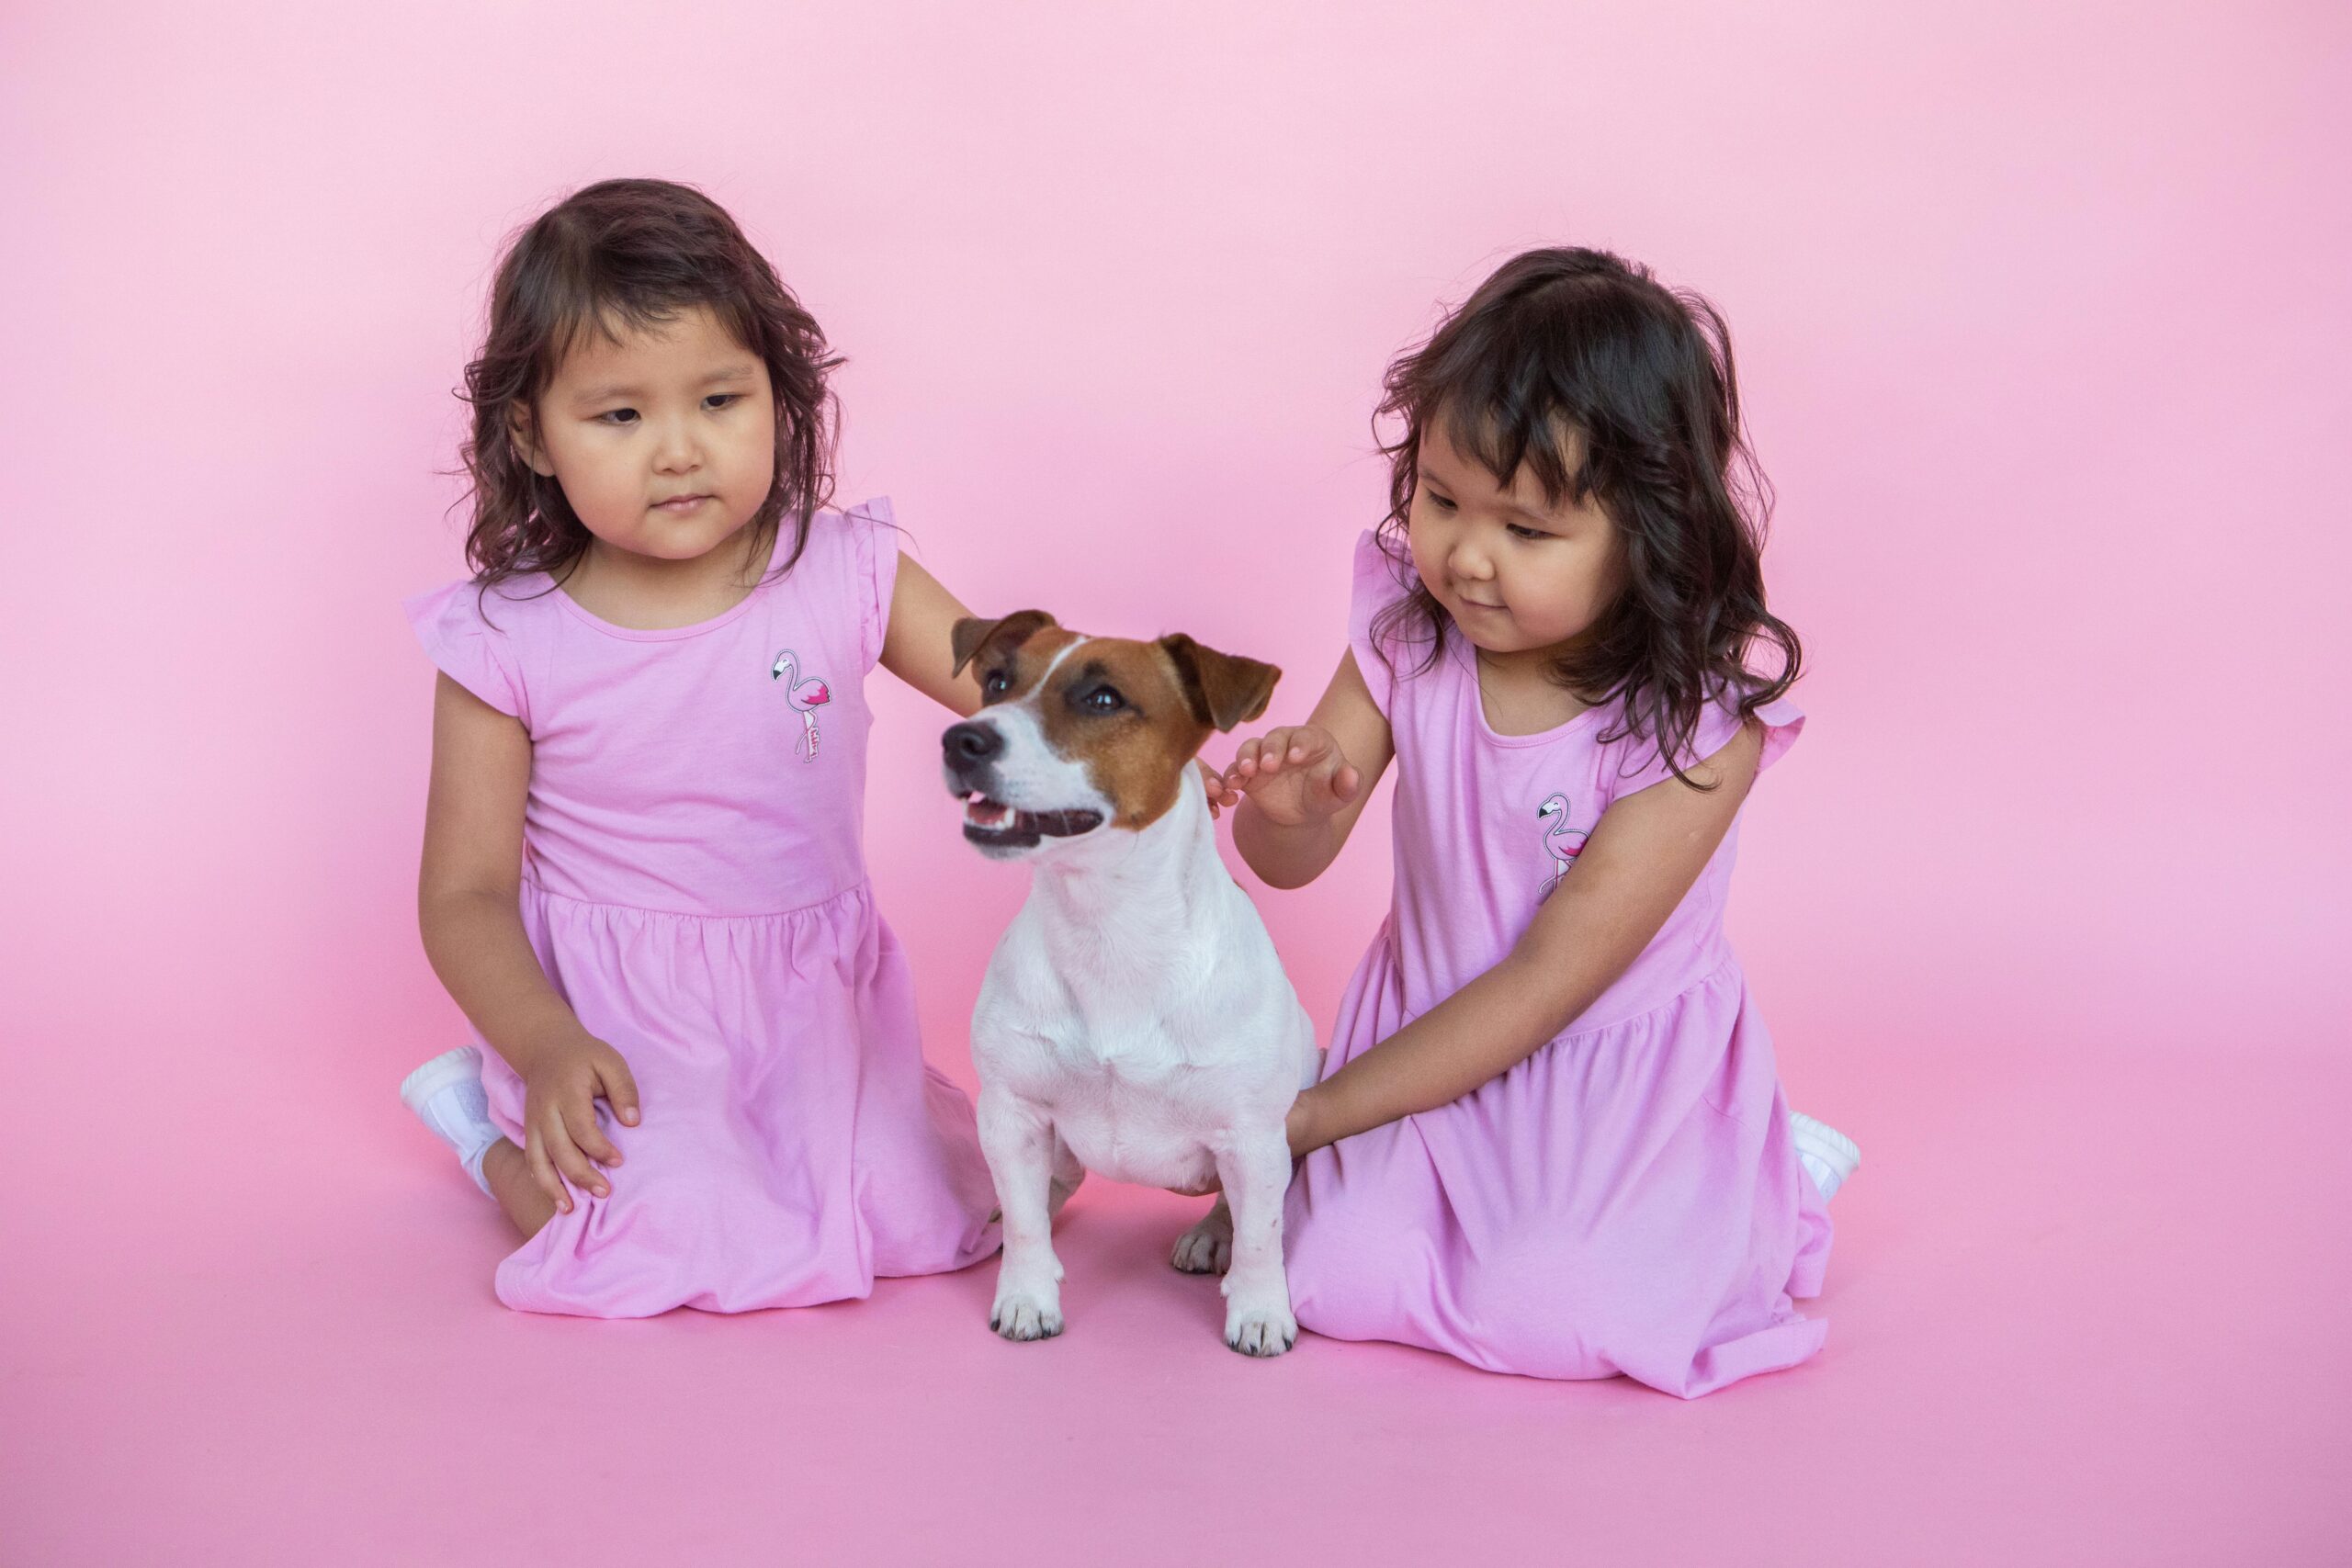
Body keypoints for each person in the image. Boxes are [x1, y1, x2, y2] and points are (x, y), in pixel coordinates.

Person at [1205, 248, 1860, 1394]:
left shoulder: (1695, 733)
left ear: (1649, 533)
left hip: (1598, 1069)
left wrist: (1301, 1122)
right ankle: (1391, 1174)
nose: (1465, 557)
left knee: (1552, 1314)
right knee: (1333, 1281)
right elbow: (1285, 864)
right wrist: (1287, 805)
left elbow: (1546, 983)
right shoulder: (1410, 639)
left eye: (1528, 531)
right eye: (1441, 500)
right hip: (1424, 1031)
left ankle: (1766, 1177)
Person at [396, 178, 1001, 1316]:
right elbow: (464, 896)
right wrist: (544, 1043)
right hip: (619, 1019)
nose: (678, 451)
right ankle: (482, 1130)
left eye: (719, 399)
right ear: (530, 433)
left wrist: (1147, 732)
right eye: (619, 417)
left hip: (811, 999)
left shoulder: (844, 567)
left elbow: (1015, 689)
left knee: (941, 1213)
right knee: (646, 1239)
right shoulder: (504, 637)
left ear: (781, 395)